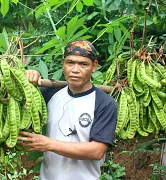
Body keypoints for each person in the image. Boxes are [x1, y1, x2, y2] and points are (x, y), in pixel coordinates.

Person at [18, 40, 118, 180]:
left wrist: (49, 144)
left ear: (94, 66)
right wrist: (25, 76)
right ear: (63, 63)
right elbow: (17, 106)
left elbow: (97, 151)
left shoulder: (104, 103)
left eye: (83, 64)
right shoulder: (49, 94)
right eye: (70, 63)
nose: (75, 70)